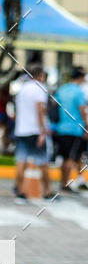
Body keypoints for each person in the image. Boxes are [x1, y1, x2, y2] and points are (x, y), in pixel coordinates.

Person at [13, 64, 55, 203]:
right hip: (35, 130)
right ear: (41, 75)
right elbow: (39, 109)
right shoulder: (40, 88)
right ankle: (47, 191)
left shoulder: (22, 88)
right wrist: (43, 129)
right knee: (42, 162)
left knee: (21, 161)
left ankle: (19, 190)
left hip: (21, 129)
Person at [53, 66, 87, 194]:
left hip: (61, 128)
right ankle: (65, 184)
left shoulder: (62, 89)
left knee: (64, 156)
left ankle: (63, 182)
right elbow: (82, 110)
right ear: (80, 77)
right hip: (75, 128)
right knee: (71, 158)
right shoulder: (78, 92)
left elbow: (55, 105)